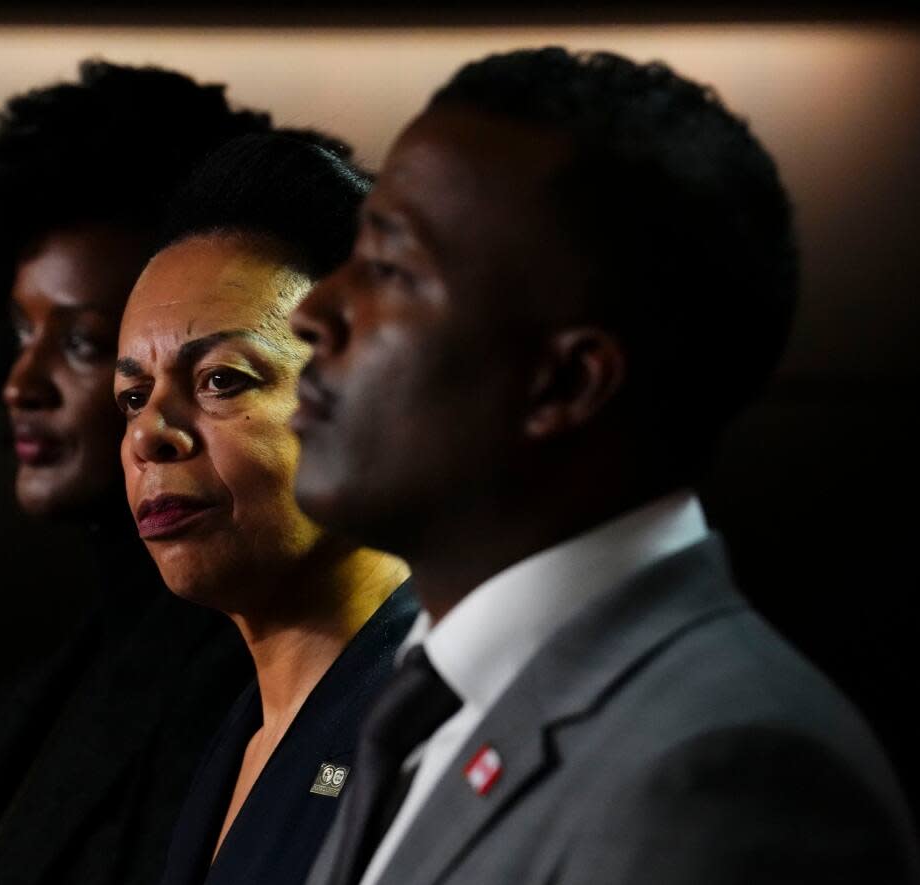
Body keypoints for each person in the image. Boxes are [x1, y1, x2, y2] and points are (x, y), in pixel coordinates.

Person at [290, 47, 920, 885]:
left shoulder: (722, 778)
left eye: (390, 267)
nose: (314, 310)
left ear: (566, 382)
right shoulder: (420, 694)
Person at [0, 60, 277, 885]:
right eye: (19, 329)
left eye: (82, 343)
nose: (20, 381)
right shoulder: (46, 690)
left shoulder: (254, 690)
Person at [113, 132, 416, 885]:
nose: (151, 432)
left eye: (221, 379)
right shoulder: (240, 732)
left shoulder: (442, 723)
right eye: (131, 396)